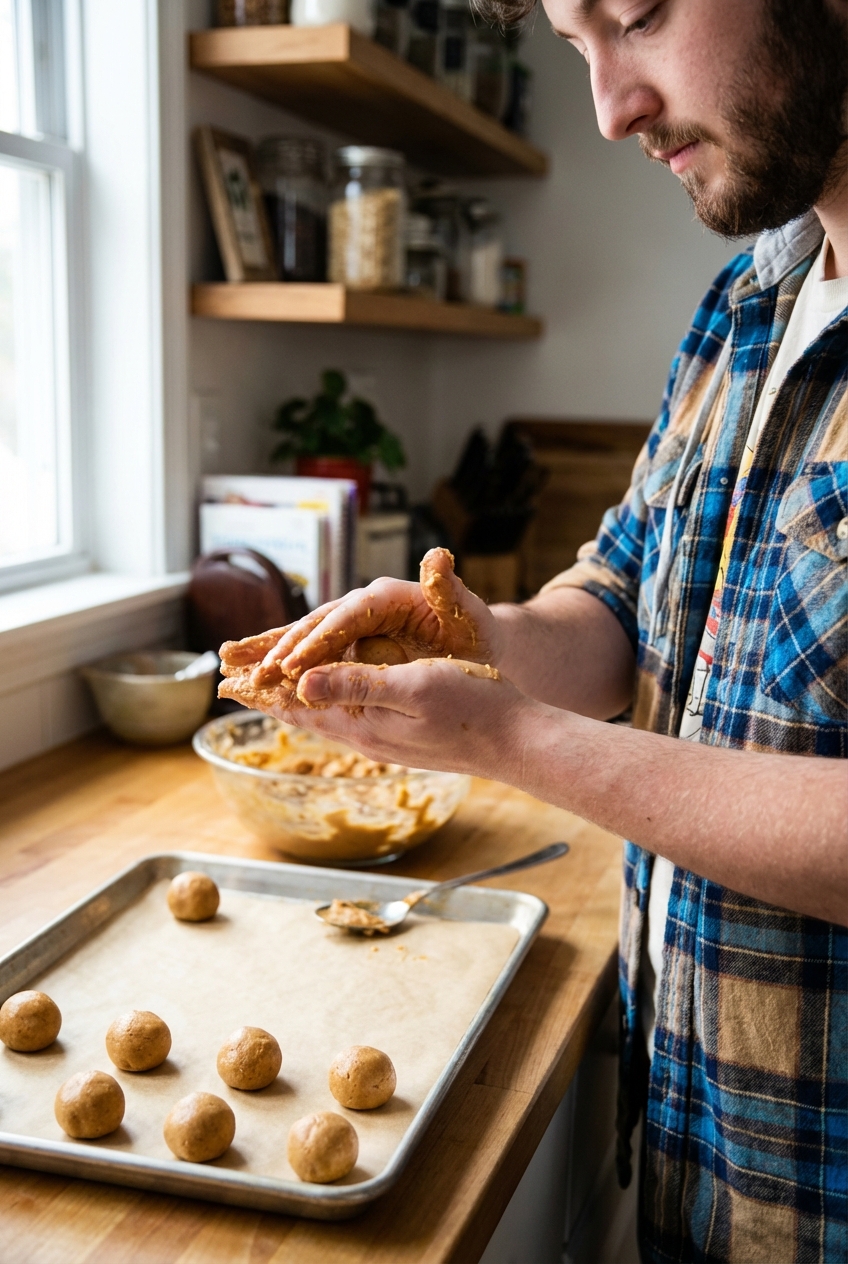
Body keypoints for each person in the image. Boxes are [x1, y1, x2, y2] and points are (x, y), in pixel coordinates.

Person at [227, 1, 847, 1258]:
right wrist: (482, 637)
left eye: (637, 17)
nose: (610, 109)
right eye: (577, 47)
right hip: (712, 1162)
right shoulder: (747, 301)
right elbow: (624, 596)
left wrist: (513, 742)